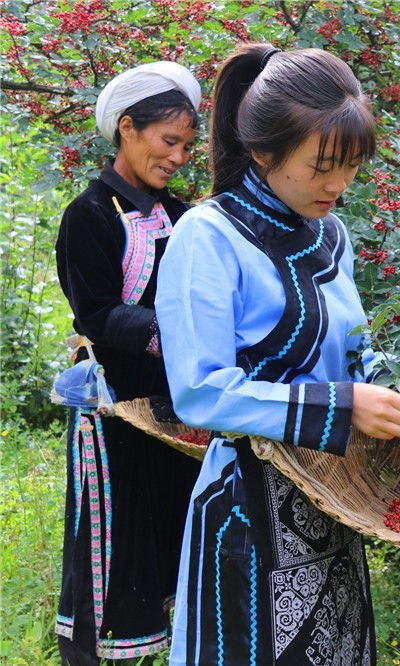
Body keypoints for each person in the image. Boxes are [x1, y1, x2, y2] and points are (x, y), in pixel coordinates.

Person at [154, 43, 400, 665]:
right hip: (250, 517)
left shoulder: (331, 233)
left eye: (352, 165)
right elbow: (200, 391)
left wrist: (395, 384)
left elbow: (352, 355)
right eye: (322, 165)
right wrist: (342, 405)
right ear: (263, 151)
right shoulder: (208, 236)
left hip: (337, 500)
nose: (338, 184)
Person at [54, 61, 204, 663]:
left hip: (179, 411)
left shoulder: (186, 215)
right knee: (116, 543)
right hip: (116, 412)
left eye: (188, 147)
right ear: (127, 128)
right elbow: (93, 313)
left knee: (175, 536)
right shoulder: (89, 215)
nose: (177, 157)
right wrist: (173, 333)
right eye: (169, 141)